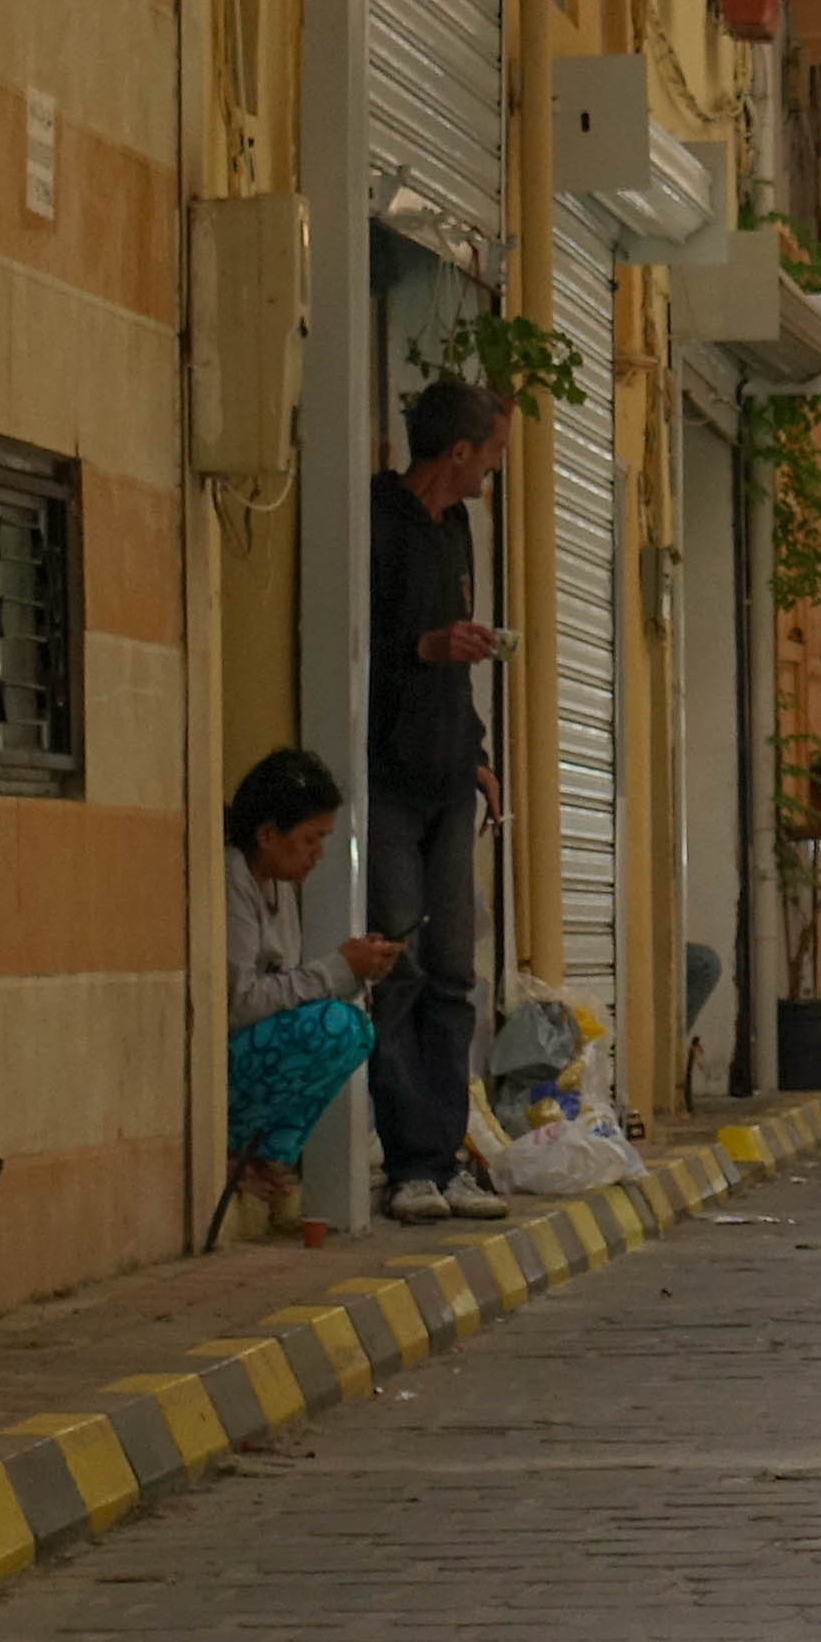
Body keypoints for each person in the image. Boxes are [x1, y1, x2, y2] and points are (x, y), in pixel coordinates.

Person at [371, 375, 513, 1225]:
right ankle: (408, 1165)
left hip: (450, 776)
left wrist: (480, 756)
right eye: (493, 450)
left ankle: (447, 1154)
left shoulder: (460, 527)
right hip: (388, 779)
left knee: (456, 972)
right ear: (458, 452)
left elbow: (454, 658)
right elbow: (361, 644)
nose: (495, 465)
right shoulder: (378, 519)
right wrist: (421, 647)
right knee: (400, 967)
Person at [224, 745, 404, 1237]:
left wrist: (353, 974)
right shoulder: (232, 881)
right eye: (310, 839)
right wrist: (336, 970)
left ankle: (263, 1155)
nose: (318, 854)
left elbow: (286, 986)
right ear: (266, 834)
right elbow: (241, 1004)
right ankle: (232, 1144)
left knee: (354, 1032)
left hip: (250, 1048)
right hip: (223, 1057)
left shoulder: (279, 886)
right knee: (333, 1026)